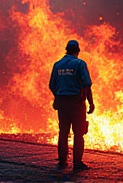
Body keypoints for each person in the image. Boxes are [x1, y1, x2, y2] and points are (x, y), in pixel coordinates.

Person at [49, 40, 95, 171]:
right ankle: (77, 163)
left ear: (66, 50)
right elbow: (87, 85)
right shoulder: (80, 64)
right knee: (78, 134)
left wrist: (58, 96)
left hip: (62, 103)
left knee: (63, 132)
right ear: (78, 51)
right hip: (76, 103)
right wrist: (91, 102)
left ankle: (62, 161)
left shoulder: (57, 65)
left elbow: (52, 85)